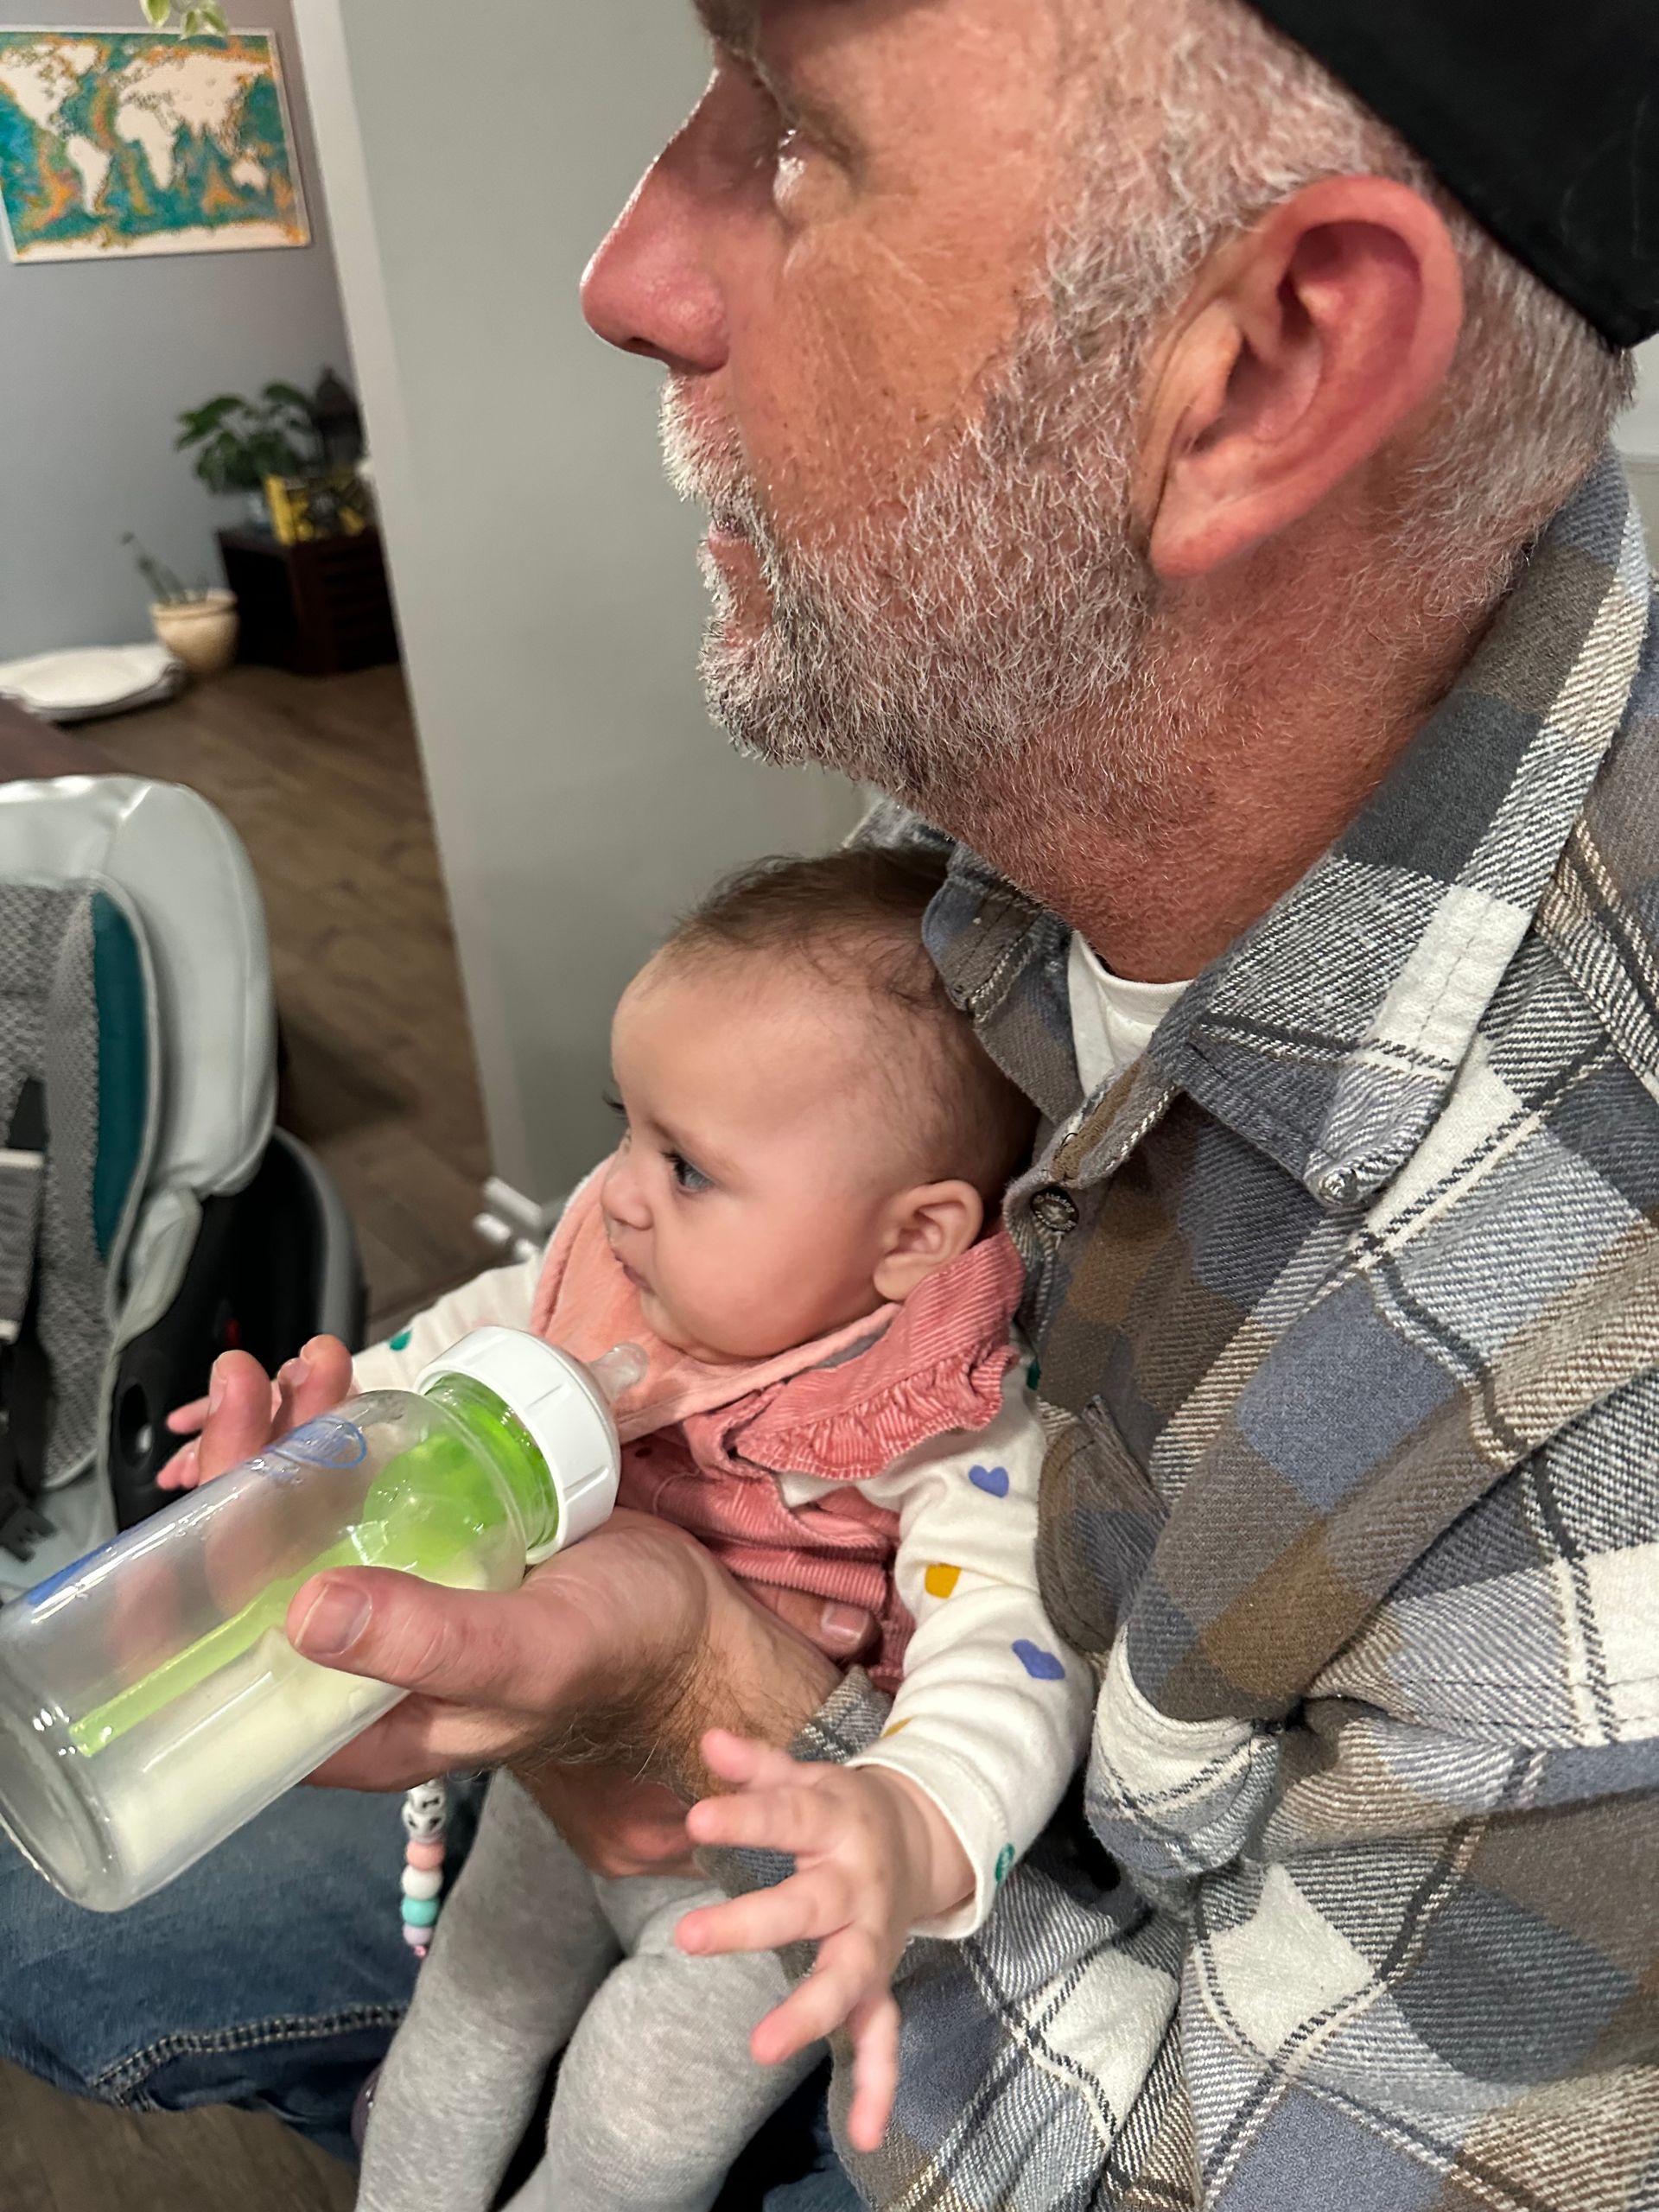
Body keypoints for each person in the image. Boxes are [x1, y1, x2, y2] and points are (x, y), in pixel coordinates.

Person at [3, 2, 1658, 2208]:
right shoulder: (1050, 737)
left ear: (1266, 366)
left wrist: (703, 1703)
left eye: (788, 130)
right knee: (59, 1910)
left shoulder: (1597, 1367)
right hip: (782, 1733)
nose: (623, 277)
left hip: (1012, 1971)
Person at [163, 849, 1086, 2211]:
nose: (622, 1195)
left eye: (689, 1167)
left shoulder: (941, 1427)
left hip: (751, 1872)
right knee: (469, 2015)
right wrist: (328, 1426)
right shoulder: (615, 1266)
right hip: (564, 1770)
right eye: (629, 1128)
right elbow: (470, 1340)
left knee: (635, 2111)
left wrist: (915, 1815)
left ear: (913, 1240)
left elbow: (1015, 1645)